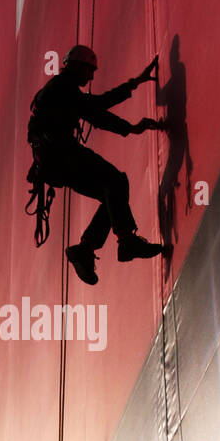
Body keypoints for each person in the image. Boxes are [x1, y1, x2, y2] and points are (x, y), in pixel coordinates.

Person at [26, 45, 167, 285]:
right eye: (90, 70)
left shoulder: (61, 88)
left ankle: (87, 248)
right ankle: (125, 241)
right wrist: (131, 128)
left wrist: (134, 84)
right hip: (62, 155)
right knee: (115, 181)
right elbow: (95, 112)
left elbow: (94, 106)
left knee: (111, 193)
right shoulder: (63, 88)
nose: (91, 77)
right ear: (79, 66)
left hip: (55, 162)